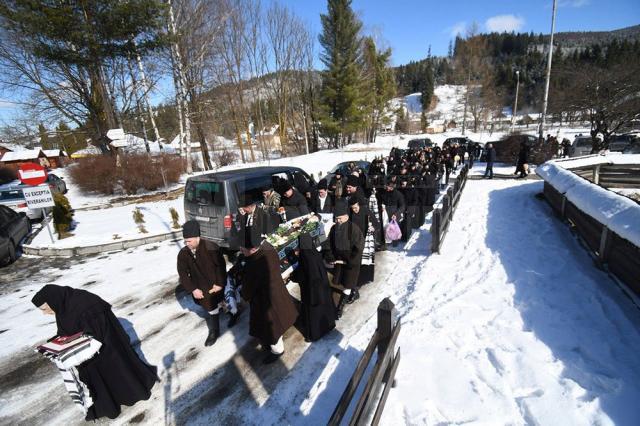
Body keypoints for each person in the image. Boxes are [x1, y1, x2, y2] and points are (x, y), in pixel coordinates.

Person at [32, 285, 158, 421]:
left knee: (110, 371)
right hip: (94, 347)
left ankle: (120, 398)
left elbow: (95, 335)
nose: (45, 313)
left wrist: (71, 344)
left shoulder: (84, 304)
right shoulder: (63, 305)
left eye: (45, 309)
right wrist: (56, 343)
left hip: (107, 347)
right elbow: (66, 329)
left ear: (52, 300)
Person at [241, 241, 299, 364]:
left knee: (272, 328)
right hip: (277, 293)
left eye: (243, 248)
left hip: (265, 302)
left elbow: (248, 290)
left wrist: (244, 294)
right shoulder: (268, 249)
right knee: (278, 321)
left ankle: (277, 351)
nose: (241, 250)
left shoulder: (254, 265)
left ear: (252, 249)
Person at [177, 220, 228, 346]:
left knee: (218, 304)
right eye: (185, 241)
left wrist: (220, 283)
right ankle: (217, 325)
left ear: (197, 237)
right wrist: (193, 289)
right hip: (200, 286)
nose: (187, 244)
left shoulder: (211, 248)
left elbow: (220, 267)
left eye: (189, 241)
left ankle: (217, 328)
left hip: (215, 284)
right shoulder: (184, 253)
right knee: (210, 306)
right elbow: (182, 273)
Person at [291, 234, 336, 342]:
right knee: (324, 308)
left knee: (313, 313)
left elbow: (301, 275)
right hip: (322, 288)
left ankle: (315, 334)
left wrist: (293, 277)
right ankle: (329, 325)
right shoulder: (314, 253)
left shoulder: (305, 257)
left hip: (311, 292)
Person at [329, 199, 365, 319]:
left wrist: (348, 261)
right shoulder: (334, 228)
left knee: (347, 285)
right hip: (339, 260)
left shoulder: (354, 229)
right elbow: (330, 243)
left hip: (351, 262)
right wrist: (330, 255)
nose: (338, 221)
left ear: (346, 216)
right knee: (344, 281)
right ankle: (355, 292)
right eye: (336, 219)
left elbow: (359, 248)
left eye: (340, 218)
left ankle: (339, 309)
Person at [348, 195, 379, 286]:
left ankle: (366, 278)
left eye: (356, 207)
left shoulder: (366, 211)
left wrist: (373, 227)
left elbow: (376, 223)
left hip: (366, 239)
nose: (354, 210)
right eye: (352, 208)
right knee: (357, 260)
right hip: (355, 240)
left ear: (358, 205)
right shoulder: (350, 213)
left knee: (366, 260)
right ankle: (357, 279)